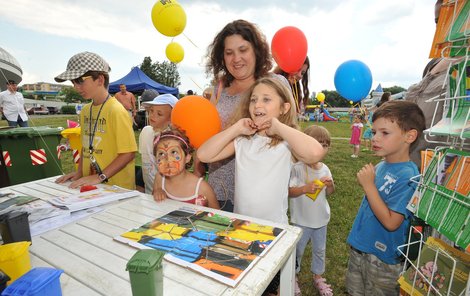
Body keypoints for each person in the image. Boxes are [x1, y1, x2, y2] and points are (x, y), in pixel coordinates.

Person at [198, 77, 324, 296]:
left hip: (273, 234)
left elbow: (315, 152)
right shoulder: (244, 141)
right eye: (254, 100)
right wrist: (236, 128)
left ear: (284, 107)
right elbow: (203, 154)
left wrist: (279, 127)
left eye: (267, 99)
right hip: (241, 231)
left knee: (270, 287)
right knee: (243, 286)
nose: (257, 105)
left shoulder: (286, 143)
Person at [346, 100, 426, 295]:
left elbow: (392, 222)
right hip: (361, 248)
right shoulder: (382, 166)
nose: (375, 138)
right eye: (374, 132)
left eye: (385, 133)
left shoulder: (409, 176)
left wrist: (368, 186)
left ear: (410, 136)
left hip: (383, 259)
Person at [198, 19, 276, 212]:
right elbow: (207, 134)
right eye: (229, 52)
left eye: (243, 50)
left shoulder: (274, 84)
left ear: (256, 50)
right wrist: (198, 168)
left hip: (258, 193)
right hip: (218, 189)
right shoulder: (219, 90)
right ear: (221, 57)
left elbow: (288, 130)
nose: (236, 58)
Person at [54, 51, 137, 189]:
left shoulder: (116, 110)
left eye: (80, 80)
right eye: (73, 82)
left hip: (116, 189)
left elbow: (128, 153)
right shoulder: (86, 110)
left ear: (100, 80)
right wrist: (80, 172)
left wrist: (100, 176)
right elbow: (86, 146)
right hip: (92, 186)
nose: (75, 87)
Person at [288, 125, 335, 296]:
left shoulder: (325, 168)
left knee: (320, 250)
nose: (321, 148)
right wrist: (305, 188)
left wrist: (330, 185)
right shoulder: (297, 168)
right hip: (301, 220)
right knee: (297, 251)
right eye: (317, 143)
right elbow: (289, 192)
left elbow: (329, 193)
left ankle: (318, 276)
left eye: (325, 144)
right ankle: (293, 277)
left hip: (321, 219)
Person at [153, 126, 219, 209]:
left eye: (174, 152)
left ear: (187, 158)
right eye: (161, 154)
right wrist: (157, 191)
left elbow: (219, 217)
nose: (168, 159)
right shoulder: (159, 179)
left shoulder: (202, 188)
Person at [138, 93, 178, 194]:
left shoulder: (174, 141)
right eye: (151, 111)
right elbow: (146, 161)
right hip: (148, 194)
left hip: (168, 197)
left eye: (159, 114)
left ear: (171, 118)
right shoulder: (145, 132)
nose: (152, 115)